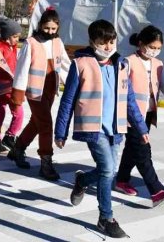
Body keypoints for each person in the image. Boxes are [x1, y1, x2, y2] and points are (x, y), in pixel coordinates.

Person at [54, 19, 147, 239]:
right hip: (93, 128)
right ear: (92, 42)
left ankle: (82, 181)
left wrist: (141, 127)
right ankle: (106, 218)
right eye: (102, 42)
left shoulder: (121, 64)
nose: (108, 47)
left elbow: (130, 100)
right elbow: (68, 100)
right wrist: (61, 131)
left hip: (116, 129)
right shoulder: (81, 64)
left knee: (109, 171)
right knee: (107, 170)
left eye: (111, 41)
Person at [114, 25, 164, 207]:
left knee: (133, 150)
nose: (154, 51)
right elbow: (122, 91)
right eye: (151, 47)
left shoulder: (158, 65)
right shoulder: (128, 62)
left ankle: (121, 180)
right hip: (131, 116)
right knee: (143, 152)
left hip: (148, 115)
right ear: (141, 43)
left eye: (158, 48)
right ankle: (156, 191)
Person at [8, 8, 72, 181]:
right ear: (40, 25)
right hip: (34, 91)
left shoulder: (57, 42)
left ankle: (18, 148)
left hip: (51, 88)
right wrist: (17, 94)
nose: (50, 32)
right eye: (46, 28)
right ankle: (46, 162)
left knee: (37, 123)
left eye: (53, 29)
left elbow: (65, 64)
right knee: (46, 124)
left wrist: (74, 82)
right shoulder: (31, 43)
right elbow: (21, 69)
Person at [0, 17, 24, 153]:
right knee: (0, 113)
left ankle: (9, 135)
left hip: (11, 86)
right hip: (1, 87)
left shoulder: (13, 48)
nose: (17, 40)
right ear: (7, 36)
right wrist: (8, 77)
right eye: (15, 36)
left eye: (18, 37)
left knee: (18, 113)